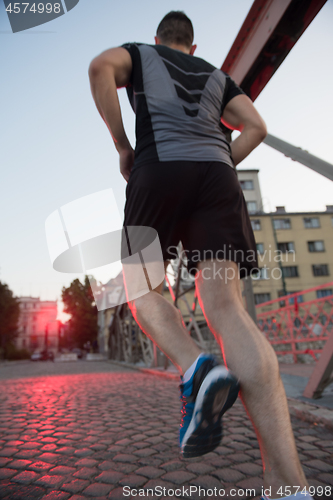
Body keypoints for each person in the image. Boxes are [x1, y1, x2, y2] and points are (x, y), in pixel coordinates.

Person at [89, 11, 313, 499]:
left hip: (157, 169)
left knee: (141, 288)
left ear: (159, 40)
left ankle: (197, 367)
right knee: (228, 309)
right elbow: (254, 125)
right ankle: (289, 487)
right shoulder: (216, 74)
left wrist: (123, 146)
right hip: (216, 178)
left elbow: (98, 67)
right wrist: (218, 160)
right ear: (192, 45)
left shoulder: (140, 54)